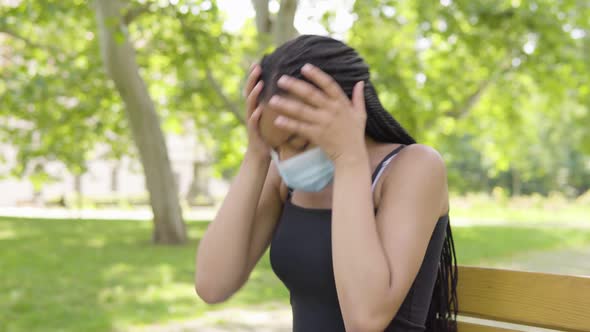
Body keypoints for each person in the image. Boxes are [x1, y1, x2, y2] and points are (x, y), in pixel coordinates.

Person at [195, 34, 458, 332]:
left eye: (299, 142)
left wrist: (348, 159)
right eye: (276, 146)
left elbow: (365, 319)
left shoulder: (414, 168)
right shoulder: (285, 177)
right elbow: (211, 284)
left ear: (348, 108)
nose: (288, 158)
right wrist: (257, 155)